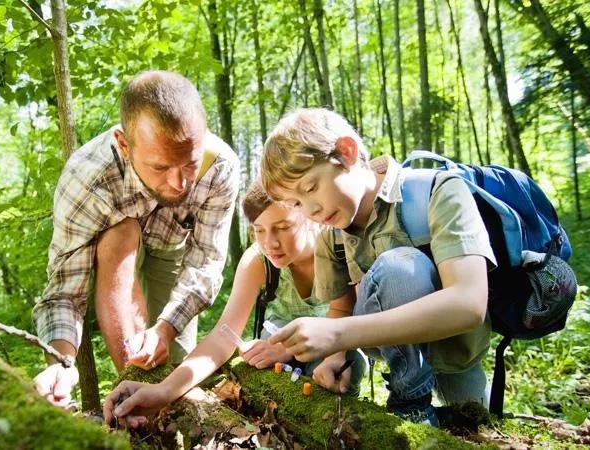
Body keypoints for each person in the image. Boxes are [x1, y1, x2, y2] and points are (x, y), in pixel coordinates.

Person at [259, 108, 496, 426]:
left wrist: (339, 335)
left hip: (457, 353)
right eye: (297, 204)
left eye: (311, 187)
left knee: (479, 427)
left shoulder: (438, 192)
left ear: (347, 152)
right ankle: (410, 404)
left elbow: (469, 303)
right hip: (400, 363)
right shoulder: (332, 234)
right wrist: (335, 356)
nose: (311, 210)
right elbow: (341, 309)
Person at [32, 71, 240, 407]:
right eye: (160, 166)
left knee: (174, 367)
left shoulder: (221, 167)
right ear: (124, 144)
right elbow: (65, 291)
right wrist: (61, 362)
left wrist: (166, 328)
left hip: (172, 250)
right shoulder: (87, 179)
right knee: (121, 232)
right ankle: (130, 383)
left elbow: (206, 261)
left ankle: (169, 419)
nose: (179, 183)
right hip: (113, 253)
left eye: (189, 163)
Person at [104, 181, 366, 428]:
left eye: (283, 227)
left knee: (346, 369)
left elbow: (348, 318)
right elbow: (223, 336)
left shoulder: (338, 248)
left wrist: (289, 350)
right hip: (273, 345)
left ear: (309, 215)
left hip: (334, 345)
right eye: (259, 230)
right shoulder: (258, 260)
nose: (270, 243)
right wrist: (164, 390)